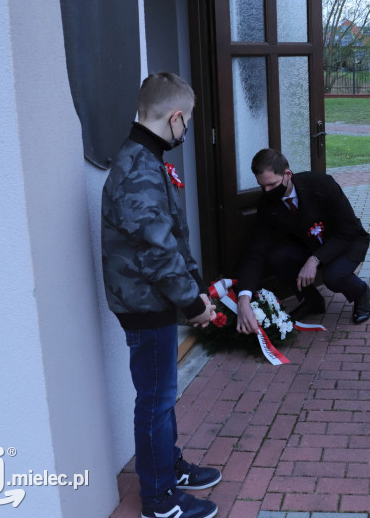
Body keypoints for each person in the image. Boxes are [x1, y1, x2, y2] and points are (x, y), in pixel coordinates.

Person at [101, 72, 221, 518]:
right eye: (186, 121)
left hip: (153, 299)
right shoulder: (138, 169)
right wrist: (192, 304)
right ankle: (158, 497)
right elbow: (156, 252)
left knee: (161, 395)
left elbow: (167, 236)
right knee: (154, 399)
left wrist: (193, 290)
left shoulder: (145, 158)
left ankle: (168, 467)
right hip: (144, 304)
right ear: (175, 117)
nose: (185, 130)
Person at [235, 148, 370, 327]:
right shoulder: (266, 204)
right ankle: (313, 301)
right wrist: (243, 298)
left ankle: (361, 293)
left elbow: (348, 230)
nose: (267, 191)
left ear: (287, 174)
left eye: (272, 185)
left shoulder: (322, 185)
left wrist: (315, 260)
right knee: (277, 257)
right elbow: (256, 251)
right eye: (263, 186)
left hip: (347, 242)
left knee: (333, 276)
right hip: (310, 246)